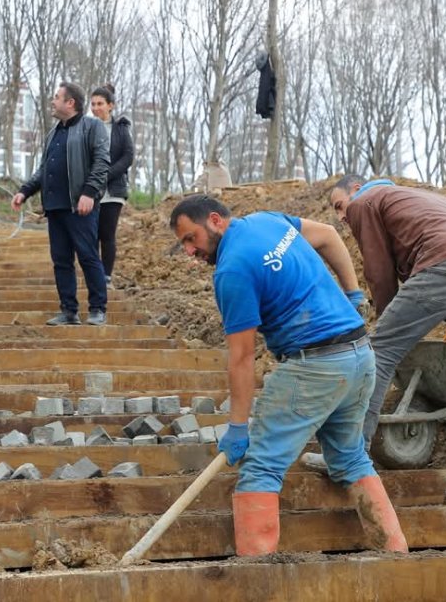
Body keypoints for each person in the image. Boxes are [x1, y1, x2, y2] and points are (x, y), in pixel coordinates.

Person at [170, 195, 408, 556]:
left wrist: (237, 427)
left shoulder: (232, 269)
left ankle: (257, 579)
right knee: (350, 458)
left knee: (262, 467)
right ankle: (396, 556)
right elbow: (329, 235)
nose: (190, 251)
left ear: (216, 220)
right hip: (360, 357)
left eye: (191, 239)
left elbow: (243, 356)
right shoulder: (267, 220)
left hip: (314, 365)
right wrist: (353, 292)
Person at [329, 175, 446, 504]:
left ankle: (348, 460)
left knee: (377, 355)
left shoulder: (366, 201)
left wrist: (386, 322)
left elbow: (379, 274)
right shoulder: (417, 198)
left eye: (340, 205)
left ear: (355, 190)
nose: (342, 216)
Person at [11, 82, 110, 326]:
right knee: (61, 260)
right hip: (55, 207)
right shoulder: (53, 132)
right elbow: (45, 169)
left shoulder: (92, 127)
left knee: (88, 256)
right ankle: (69, 310)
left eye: (57, 97)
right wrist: (25, 191)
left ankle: (98, 308)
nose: (53, 101)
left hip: (80, 206)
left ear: (70, 103)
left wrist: (88, 192)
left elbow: (101, 162)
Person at [89, 84, 134, 288]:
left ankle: (106, 277)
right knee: (90, 234)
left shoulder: (121, 128)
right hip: (90, 191)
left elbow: (128, 156)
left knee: (107, 234)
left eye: (100, 104)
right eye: (93, 104)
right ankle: (93, 275)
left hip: (113, 189)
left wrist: (106, 175)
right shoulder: (86, 128)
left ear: (110, 106)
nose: (96, 108)